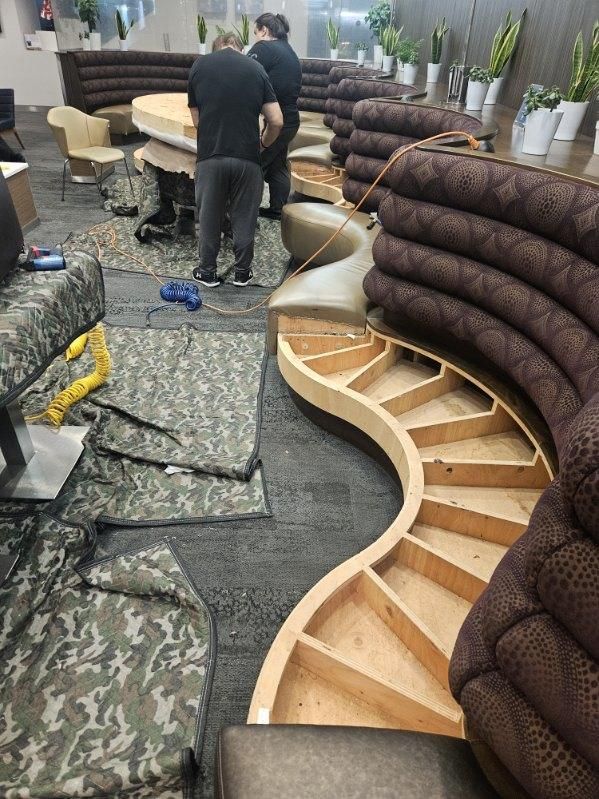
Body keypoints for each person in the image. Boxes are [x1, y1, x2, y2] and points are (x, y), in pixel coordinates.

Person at [187, 33, 283, 287]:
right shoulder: (257, 69)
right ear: (240, 48)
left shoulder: (199, 66)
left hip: (211, 157)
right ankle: (242, 272)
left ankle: (207, 272)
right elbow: (277, 120)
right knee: (244, 216)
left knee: (209, 216)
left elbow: (197, 121)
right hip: (248, 159)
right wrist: (262, 144)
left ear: (215, 48)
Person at [247, 13, 302, 221]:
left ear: (264, 30)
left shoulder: (264, 48)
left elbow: (242, 73)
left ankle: (246, 215)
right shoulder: (289, 50)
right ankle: (278, 209)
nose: (255, 38)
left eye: (255, 32)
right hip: (291, 120)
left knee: (255, 165)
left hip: (278, 122)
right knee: (277, 164)